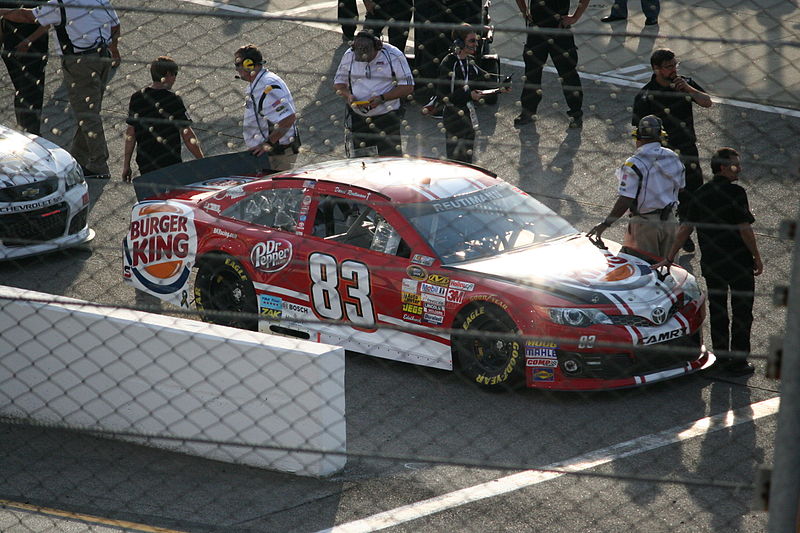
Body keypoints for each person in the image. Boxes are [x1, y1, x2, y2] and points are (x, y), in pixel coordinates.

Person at [654, 148, 761, 377]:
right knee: (742, 312)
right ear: (722, 167)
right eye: (735, 164)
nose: (739, 168)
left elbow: (685, 229)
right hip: (738, 262)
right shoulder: (737, 193)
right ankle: (739, 361)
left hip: (713, 263)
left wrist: (669, 256)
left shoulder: (700, 194)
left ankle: (721, 358)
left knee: (718, 308)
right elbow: (745, 229)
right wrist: (757, 256)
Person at [0, 0, 120, 179]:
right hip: (102, 57)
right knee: (87, 111)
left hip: (80, 62)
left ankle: (99, 164)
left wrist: (3, 11)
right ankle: (79, 158)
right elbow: (115, 26)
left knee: (87, 114)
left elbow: (28, 16)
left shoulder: (60, 4)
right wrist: (113, 49)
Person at [633, 48, 713, 252]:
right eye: (668, 67)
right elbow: (639, 134)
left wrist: (688, 89)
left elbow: (707, 102)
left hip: (687, 149)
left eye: (675, 65)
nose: (673, 70)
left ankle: (685, 232)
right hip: (662, 155)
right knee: (670, 196)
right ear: (656, 69)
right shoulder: (646, 96)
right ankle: (672, 233)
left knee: (694, 194)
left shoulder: (684, 83)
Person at [586, 115, 684, 259]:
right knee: (669, 271)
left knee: (641, 272)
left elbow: (625, 199)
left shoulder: (633, 164)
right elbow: (681, 188)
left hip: (644, 225)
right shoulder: (672, 157)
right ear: (660, 137)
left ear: (638, 138)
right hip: (670, 221)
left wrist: (606, 224)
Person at [122, 56, 204, 182]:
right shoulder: (173, 100)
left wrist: (126, 164)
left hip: (146, 161)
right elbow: (187, 135)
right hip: (170, 161)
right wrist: (202, 160)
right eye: (174, 75)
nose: (175, 79)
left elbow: (131, 133)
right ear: (167, 75)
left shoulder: (137, 97)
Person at [435, 25, 509, 163]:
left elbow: (485, 79)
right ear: (460, 43)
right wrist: (470, 96)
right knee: (455, 162)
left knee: (468, 161)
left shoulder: (469, 62)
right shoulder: (450, 64)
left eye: (476, 40)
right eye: (472, 41)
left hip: (467, 115)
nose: (476, 44)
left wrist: (500, 88)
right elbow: (444, 97)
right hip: (453, 118)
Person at [334, 30, 414, 156]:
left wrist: (382, 98)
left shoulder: (393, 55)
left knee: (390, 159)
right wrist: (348, 96)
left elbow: (408, 86)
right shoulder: (349, 55)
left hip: (387, 118)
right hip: (359, 119)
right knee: (363, 161)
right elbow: (339, 83)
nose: (364, 60)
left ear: (378, 47)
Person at [513, 0, 589, 129]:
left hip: (560, 29)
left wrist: (575, 17)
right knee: (532, 72)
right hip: (536, 29)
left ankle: (576, 114)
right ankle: (528, 111)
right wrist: (524, 11)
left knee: (568, 74)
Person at [235, 44, 300, 171]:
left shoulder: (267, 86)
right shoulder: (259, 83)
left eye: (238, 65)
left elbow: (289, 118)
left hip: (277, 154)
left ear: (249, 65)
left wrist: (267, 144)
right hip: (268, 153)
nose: (236, 69)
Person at [0, 0, 48, 135]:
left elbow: (49, 20)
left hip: (34, 50)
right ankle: (26, 131)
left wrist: (28, 42)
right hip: (13, 49)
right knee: (23, 92)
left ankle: (31, 132)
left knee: (30, 93)